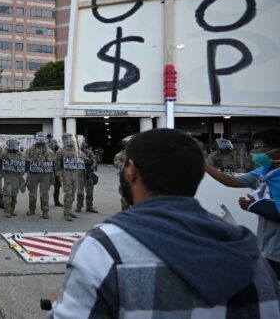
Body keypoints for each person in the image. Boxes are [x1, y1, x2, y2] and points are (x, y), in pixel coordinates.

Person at [48, 128, 280, 318]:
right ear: (198, 173)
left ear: (131, 172)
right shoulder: (252, 257)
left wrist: (59, 304)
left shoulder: (101, 249)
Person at [205, 128, 280, 280]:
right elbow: (230, 181)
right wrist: (203, 165)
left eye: (258, 147)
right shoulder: (262, 172)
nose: (253, 151)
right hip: (267, 247)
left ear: (277, 152)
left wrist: (256, 206)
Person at [24, 132, 55, 219]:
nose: (40, 140)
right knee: (32, 192)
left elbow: (52, 163)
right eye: (39, 138)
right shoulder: (30, 150)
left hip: (45, 175)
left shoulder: (49, 151)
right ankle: (32, 209)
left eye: (42, 138)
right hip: (33, 174)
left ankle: (45, 211)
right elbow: (25, 160)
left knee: (44, 193)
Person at [55, 134, 84, 221]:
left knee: (73, 194)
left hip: (75, 174)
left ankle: (69, 210)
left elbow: (81, 159)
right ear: (64, 140)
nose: (69, 140)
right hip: (66, 175)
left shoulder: (76, 150)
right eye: (67, 139)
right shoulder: (60, 151)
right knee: (68, 193)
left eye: (70, 138)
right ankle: (66, 213)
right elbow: (57, 165)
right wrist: (59, 175)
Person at [0, 138, 25, 218]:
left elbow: (23, 165)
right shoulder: (4, 154)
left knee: (14, 194)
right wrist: (4, 174)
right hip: (8, 177)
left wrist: (20, 175)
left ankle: (12, 210)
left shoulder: (20, 154)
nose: (13, 146)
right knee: (7, 194)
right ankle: (7, 211)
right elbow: (0, 164)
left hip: (17, 177)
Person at [75, 138, 98, 213]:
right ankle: (79, 206)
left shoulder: (89, 152)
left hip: (88, 173)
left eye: (83, 144)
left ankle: (89, 206)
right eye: (81, 144)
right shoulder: (76, 153)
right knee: (80, 191)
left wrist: (91, 167)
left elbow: (94, 161)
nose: (82, 146)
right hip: (80, 173)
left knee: (89, 191)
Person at [114, 135, 134, 211]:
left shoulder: (139, 153)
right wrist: (126, 166)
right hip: (125, 179)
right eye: (128, 144)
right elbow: (116, 163)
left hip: (137, 179)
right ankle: (125, 212)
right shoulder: (120, 155)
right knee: (125, 198)